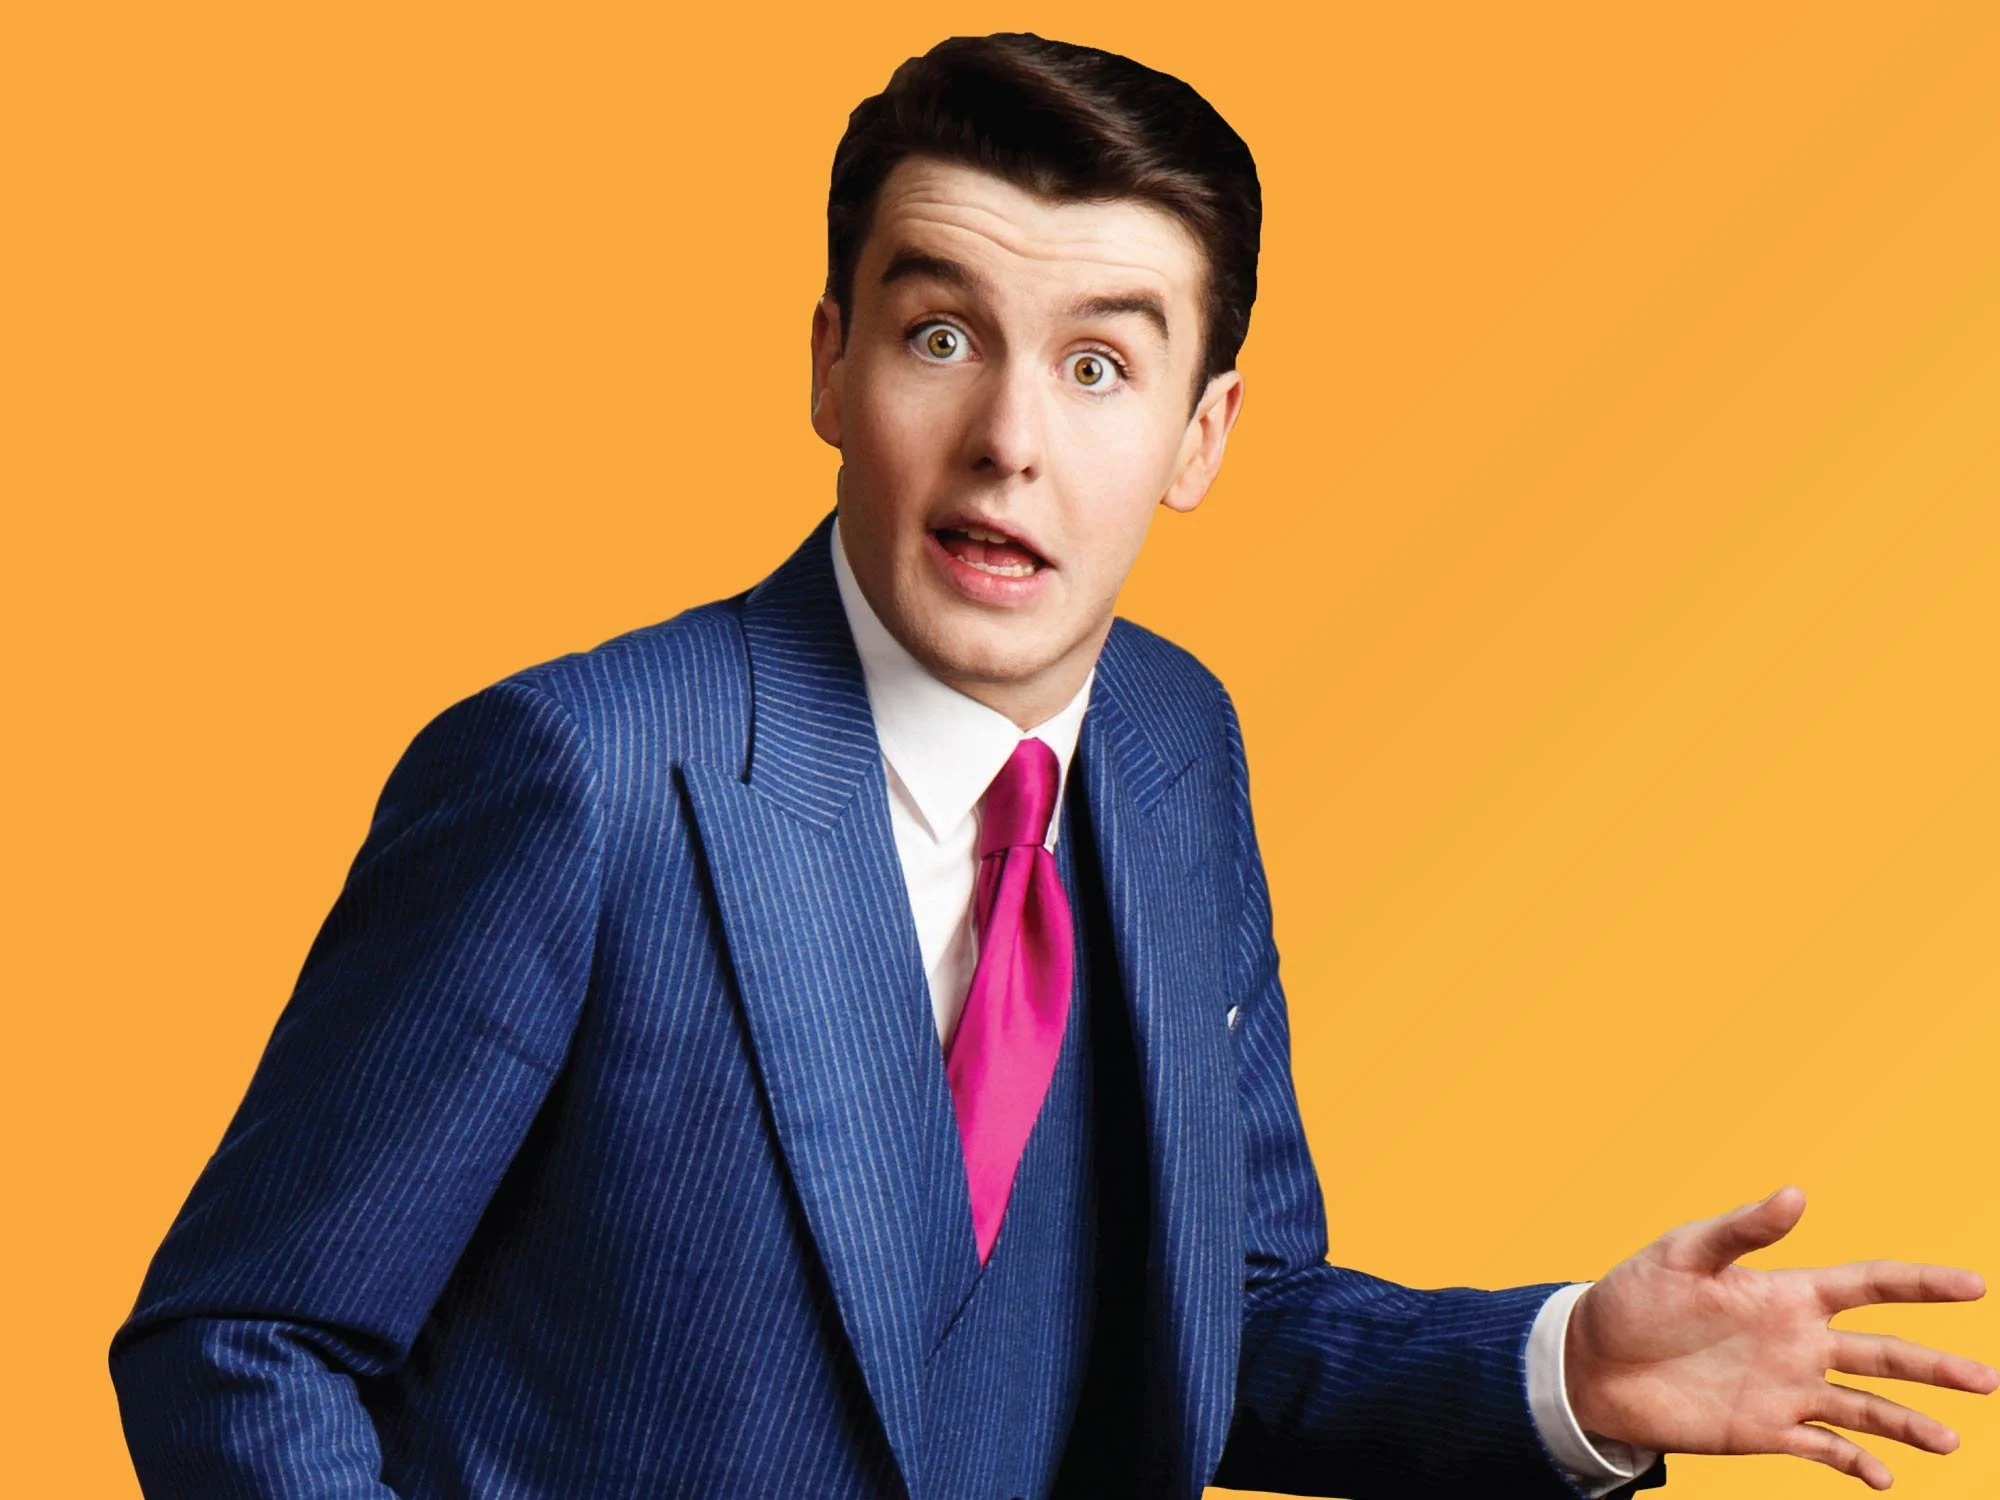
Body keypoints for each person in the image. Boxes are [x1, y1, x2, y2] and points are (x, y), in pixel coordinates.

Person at [110, 32, 1994, 1500]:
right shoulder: (577, 780)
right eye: (943, 335)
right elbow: (239, 1339)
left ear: (1202, 433)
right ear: (834, 361)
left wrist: (1568, 1372)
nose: (1010, 437)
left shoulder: (1176, 750)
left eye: (1102, 366)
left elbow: (1217, 1318)